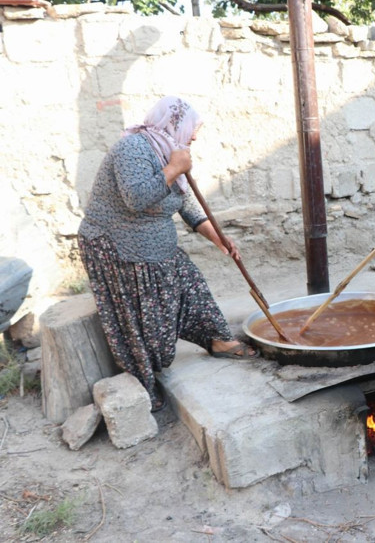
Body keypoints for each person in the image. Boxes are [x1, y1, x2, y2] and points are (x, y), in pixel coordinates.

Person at [78, 96, 258, 413]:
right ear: (174, 124)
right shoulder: (132, 149)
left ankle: (217, 340)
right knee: (144, 320)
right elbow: (136, 198)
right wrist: (175, 168)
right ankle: (144, 382)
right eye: (192, 129)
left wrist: (218, 238)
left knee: (191, 284)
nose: (194, 136)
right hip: (119, 245)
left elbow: (184, 203)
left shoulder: (168, 150)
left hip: (155, 242)